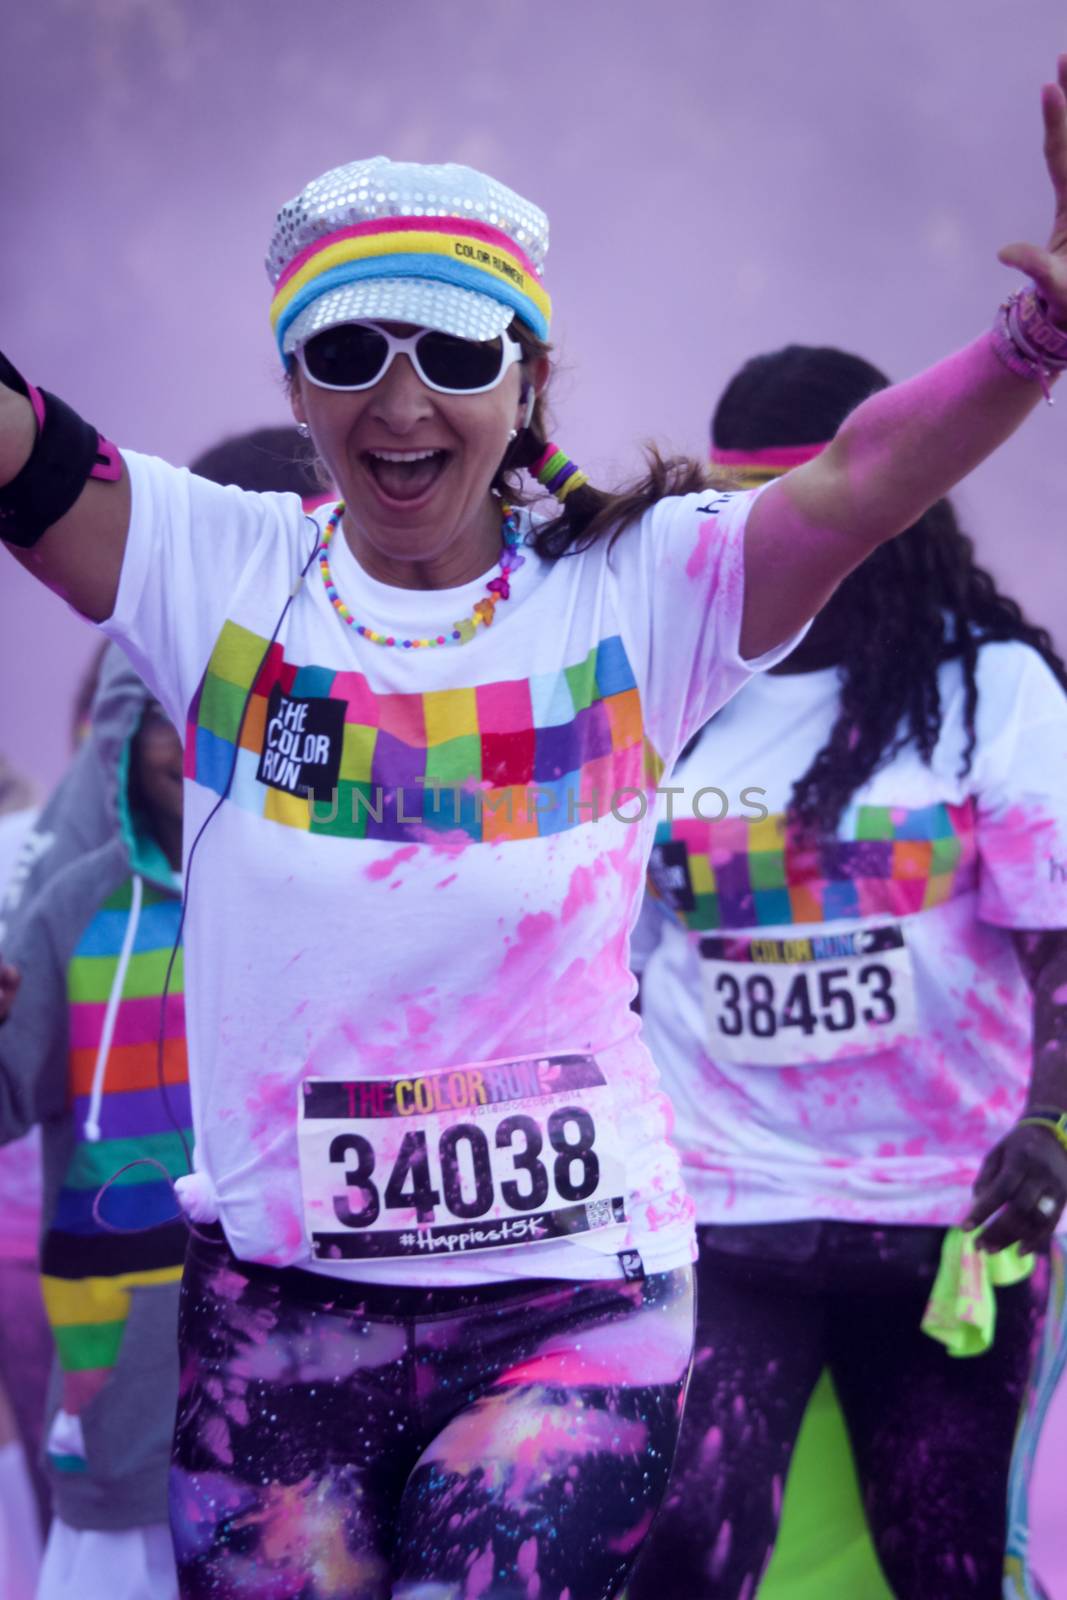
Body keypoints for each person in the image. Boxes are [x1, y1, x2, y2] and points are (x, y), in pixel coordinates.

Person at [1, 61, 1067, 1592]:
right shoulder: (212, 564)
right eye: (347, 350)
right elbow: (25, 450)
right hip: (282, 1306)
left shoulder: (646, 587)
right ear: (294, 385)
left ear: (524, 380)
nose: (399, 392)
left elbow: (855, 482)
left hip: (572, 1300)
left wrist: (1033, 340)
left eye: (449, 347)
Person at [627, 345, 1067, 1600]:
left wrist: (1048, 1122)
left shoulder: (988, 689)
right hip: (720, 1216)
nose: (794, 548)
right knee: (682, 1560)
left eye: (822, 510)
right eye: (749, 518)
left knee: (948, 1570)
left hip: (947, 1225)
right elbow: (592, 968)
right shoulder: (665, 691)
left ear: (893, 507)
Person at [0, 662, 189, 1600]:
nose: (194, 745)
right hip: (119, 1422)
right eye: (164, 716)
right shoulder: (73, 909)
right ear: (119, 737)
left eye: (226, 713)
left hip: (304, 1408)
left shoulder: (324, 903)